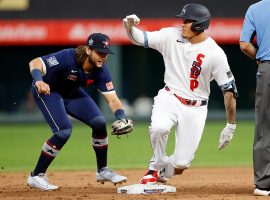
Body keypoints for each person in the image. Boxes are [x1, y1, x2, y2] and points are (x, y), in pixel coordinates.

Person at [123, 3, 238, 184]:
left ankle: (162, 172)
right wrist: (129, 27)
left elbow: (229, 91)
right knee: (159, 128)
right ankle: (155, 166)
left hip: (196, 108)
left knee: (180, 165)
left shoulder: (215, 53)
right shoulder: (170, 36)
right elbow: (140, 38)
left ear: (199, 24)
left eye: (187, 21)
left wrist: (230, 125)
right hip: (170, 97)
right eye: (182, 20)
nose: (182, 24)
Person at [27, 33, 133, 191]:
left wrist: (122, 117)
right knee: (64, 131)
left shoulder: (101, 71)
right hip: (48, 90)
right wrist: (39, 80)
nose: (103, 57)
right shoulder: (67, 56)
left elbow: (113, 100)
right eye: (99, 52)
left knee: (99, 123)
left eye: (105, 53)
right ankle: (36, 175)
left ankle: (102, 170)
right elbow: (35, 62)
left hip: (71, 92)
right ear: (88, 50)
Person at [240, 0, 270, 196]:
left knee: (264, 127)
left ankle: (263, 185)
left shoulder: (256, 8)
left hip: (267, 68)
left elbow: (244, 45)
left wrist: (260, 59)